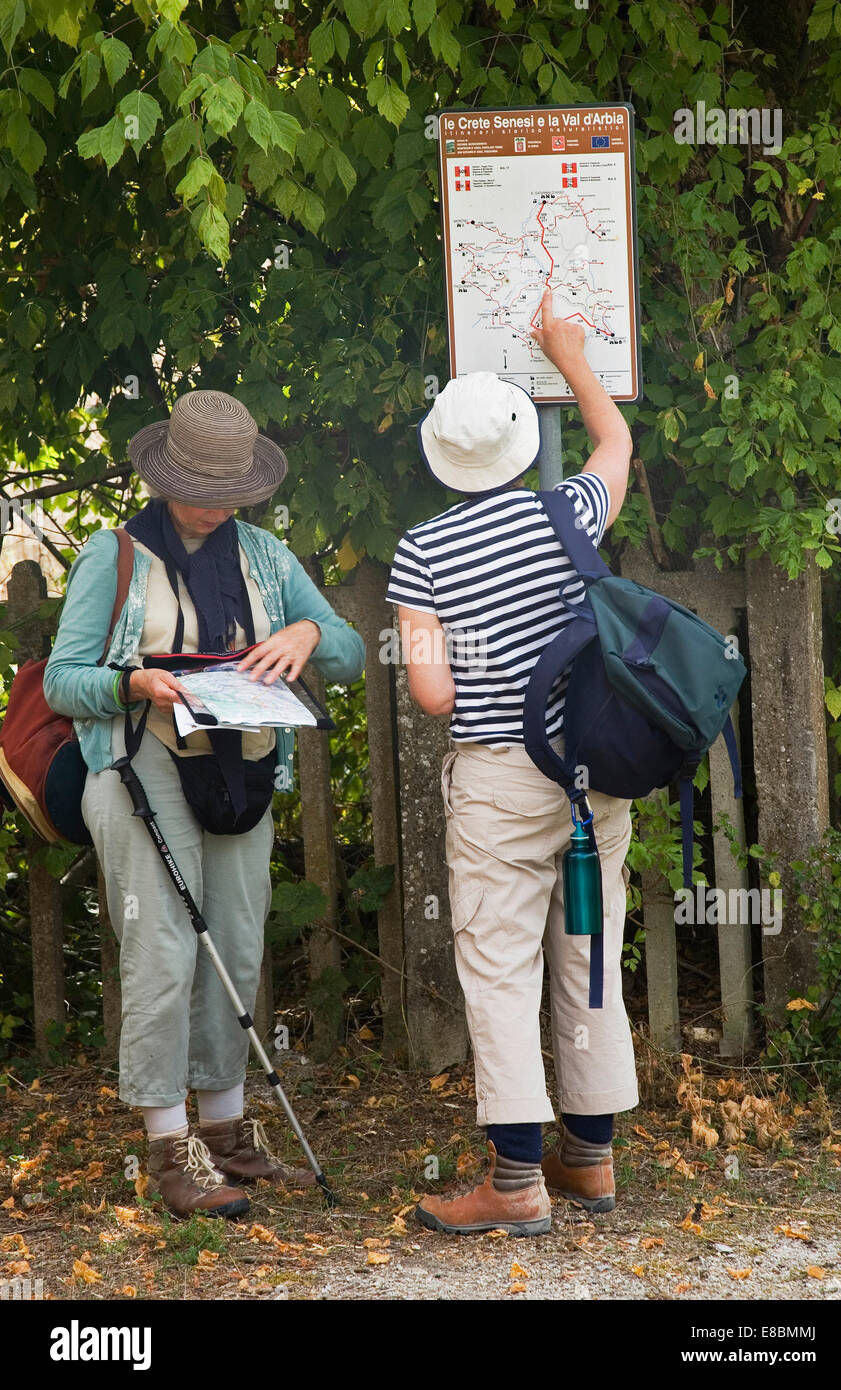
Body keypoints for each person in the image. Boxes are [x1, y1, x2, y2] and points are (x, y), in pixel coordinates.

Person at [44, 389, 365, 1220]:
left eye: (231, 492)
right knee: (162, 954)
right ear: (164, 475)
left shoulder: (264, 552)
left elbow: (352, 650)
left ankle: (226, 1135)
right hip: (141, 769)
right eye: (202, 488)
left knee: (236, 946)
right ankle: (168, 1148)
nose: (218, 507)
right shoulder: (112, 556)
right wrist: (136, 681)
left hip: (242, 772)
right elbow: (62, 682)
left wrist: (305, 637)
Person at [386, 291, 636, 1235]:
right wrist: (569, 355)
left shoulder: (422, 551)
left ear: (444, 460)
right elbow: (614, 447)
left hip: (497, 783)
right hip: (590, 778)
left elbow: (435, 698)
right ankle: (592, 1160)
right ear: (523, 446)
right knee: (590, 952)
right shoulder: (570, 514)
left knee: (498, 969)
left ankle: (517, 1182)